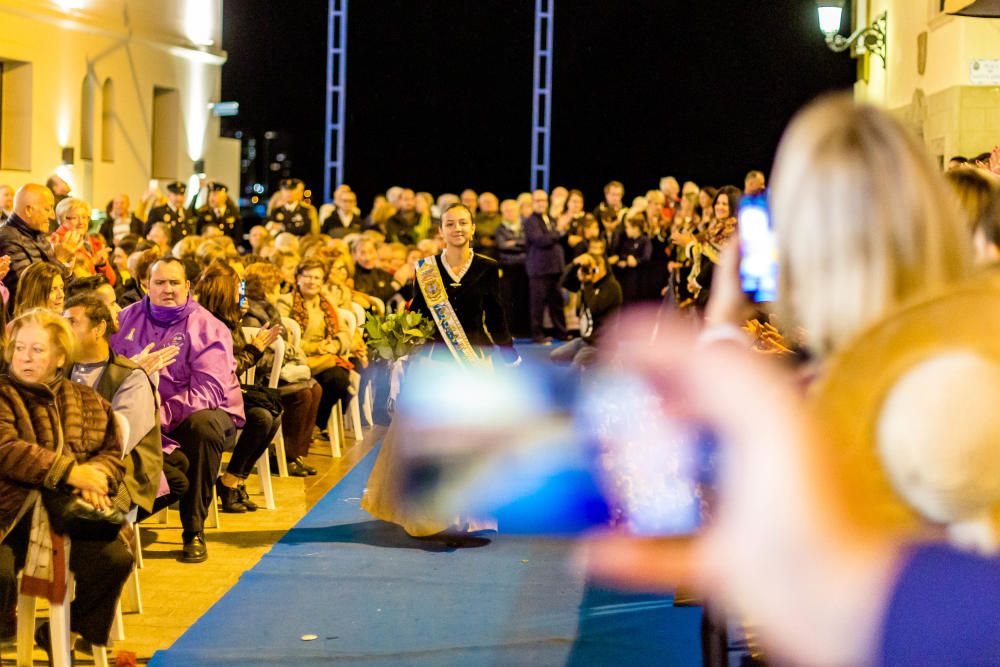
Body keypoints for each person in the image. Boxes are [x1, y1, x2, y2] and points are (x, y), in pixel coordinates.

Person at [362, 203, 517, 543]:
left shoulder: (488, 268)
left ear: (473, 228)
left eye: (463, 222)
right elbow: (416, 315)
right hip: (433, 363)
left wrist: (509, 357)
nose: (457, 228)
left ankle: (469, 514)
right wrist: (397, 343)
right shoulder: (426, 270)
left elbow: (497, 317)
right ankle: (431, 514)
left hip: (473, 362)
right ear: (441, 230)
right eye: (450, 223)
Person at [0, 309, 131, 650]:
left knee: (115, 559)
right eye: (20, 348)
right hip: (10, 514)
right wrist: (71, 472)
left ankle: (66, 630)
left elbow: (112, 454)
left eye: (37, 350)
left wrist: (97, 479)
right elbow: (7, 449)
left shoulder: (87, 399)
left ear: (60, 356)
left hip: (69, 512)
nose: (25, 357)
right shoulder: (3, 395)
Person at [111, 257, 245, 563]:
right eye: (159, 282)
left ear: (188, 286)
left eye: (174, 283)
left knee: (204, 426)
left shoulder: (209, 327)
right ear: (146, 285)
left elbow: (209, 392)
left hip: (199, 413)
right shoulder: (125, 319)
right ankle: (111, 520)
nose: (167, 289)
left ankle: (193, 530)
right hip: (140, 412)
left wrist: (159, 414)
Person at [193, 262, 283, 511]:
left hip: (228, 390)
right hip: (210, 395)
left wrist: (237, 320)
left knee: (273, 412)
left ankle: (233, 480)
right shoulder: (206, 322)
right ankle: (231, 483)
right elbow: (228, 367)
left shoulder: (225, 317)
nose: (240, 294)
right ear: (224, 291)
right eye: (237, 287)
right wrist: (254, 349)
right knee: (263, 417)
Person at [64, 294, 164, 518]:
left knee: (86, 512)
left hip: (122, 472)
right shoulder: (60, 369)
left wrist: (85, 476)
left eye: (72, 322)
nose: (64, 330)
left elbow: (119, 442)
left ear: (99, 328)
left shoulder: (131, 377)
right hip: (71, 467)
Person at [243, 262, 323, 476]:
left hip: (277, 371)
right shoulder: (251, 314)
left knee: (315, 389)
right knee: (302, 394)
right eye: (277, 284)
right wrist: (287, 355)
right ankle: (283, 457)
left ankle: (294, 455)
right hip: (259, 378)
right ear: (266, 286)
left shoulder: (268, 308)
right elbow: (259, 359)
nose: (280, 288)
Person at [276, 258, 355, 439]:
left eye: (317, 278)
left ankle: (316, 424)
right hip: (297, 359)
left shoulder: (328, 303)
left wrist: (334, 345)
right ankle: (303, 429)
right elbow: (285, 337)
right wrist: (315, 347)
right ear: (298, 278)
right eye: (308, 276)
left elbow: (345, 333)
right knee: (311, 386)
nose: (312, 281)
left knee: (340, 379)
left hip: (323, 359)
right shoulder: (286, 302)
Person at [0, 184, 70, 309]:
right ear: (29, 210)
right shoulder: (8, 238)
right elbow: (28, 291)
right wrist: (61, 261)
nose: (52, 216)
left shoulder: (38, 235)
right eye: (48, 209)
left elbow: (63, 287)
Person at [551, 252, 621, 369]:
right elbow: (563, 282)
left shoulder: (612, 286)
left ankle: (609, 361)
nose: (590, 270)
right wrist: (574, 264)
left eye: (593, 267)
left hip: (601, 344)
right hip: (586, 340)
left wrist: (587, 283)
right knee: (556, 356)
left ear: (602, 267)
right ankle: (596, 364)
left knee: (576, 366)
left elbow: (594, 309)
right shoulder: (589, 283)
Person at [523, 189, 568, 343]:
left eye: (544, 200)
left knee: (557, 304)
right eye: (538, 200)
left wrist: (559, 230)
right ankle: (537, 335)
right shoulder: (530, 221)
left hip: (555, 268)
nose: (542, 203)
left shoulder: (549, 218)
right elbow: (541, 241)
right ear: (532, 203)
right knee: (538, 305)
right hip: (539, 269)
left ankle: (561, 333)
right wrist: (559, 230)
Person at [51, 196, 115, 284]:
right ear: (61, 220)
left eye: (85, 217)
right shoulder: (57, 242)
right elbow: (69, 279)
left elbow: (111, 281)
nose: (81, 222)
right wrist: (93, 262)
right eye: (74, 217)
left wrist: (102, 264)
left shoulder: (94, 242)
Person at [495, 198, 530, 338]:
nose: (510, 213)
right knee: (507, 300)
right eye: (507, 210)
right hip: (507, 268)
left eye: (513, 210)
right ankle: (509, 331)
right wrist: (520, 244)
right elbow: (502, 245)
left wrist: (513, 243)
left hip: (524, 268)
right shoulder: (500, 228)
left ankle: (523, 330)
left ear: (518, 211)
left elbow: (528, 242)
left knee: (523, 299)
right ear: (502, 212)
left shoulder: (525, 225)